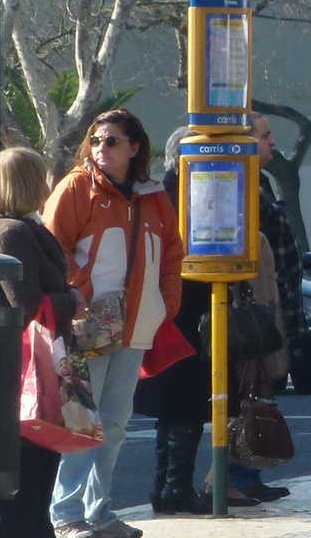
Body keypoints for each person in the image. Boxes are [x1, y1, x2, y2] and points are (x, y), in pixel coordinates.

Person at [42, 109, 180, 538]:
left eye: (112, 141)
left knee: (116, 422)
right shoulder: (76, 187)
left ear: (134, 148)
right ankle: (66, 514)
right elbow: (52, 248)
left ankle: (99, 512)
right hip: (88, 324)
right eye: (97, 140)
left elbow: (173, 254)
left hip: (137, 322)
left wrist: (165, 306)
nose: (102, 148)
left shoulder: (153, 195)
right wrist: (81, 291)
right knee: (85, 419)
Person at [0, 147, 84, 538]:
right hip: (24, 369)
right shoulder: (12, 233)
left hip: (19, 366)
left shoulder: (9, 227)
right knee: (26, 482)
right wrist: (72, 301)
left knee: (32, 481)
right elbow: (26, 305)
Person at [131, 128, 214, 515]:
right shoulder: (181, 197)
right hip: (185, 312)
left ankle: (165, 486)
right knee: (186, 405)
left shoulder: (161, 196)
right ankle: (174, 486)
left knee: (174, 408)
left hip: (166, 312)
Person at [219, 112, 299, 502]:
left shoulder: (261, 182)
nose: (272, 142)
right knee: (247, 386)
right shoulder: (239, 183)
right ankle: (234, 474)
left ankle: (247, 474)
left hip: (271, 299)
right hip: (252, 306)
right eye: (265, 136)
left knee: (260, 386)